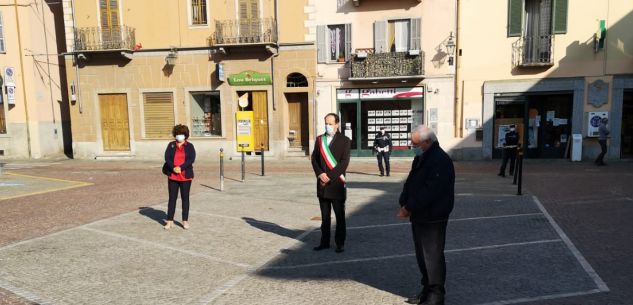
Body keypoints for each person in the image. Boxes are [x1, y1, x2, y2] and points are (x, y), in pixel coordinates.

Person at [399, 125, 455, 305]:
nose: (413, 146)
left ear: (428, 141)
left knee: (432, 257)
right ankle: (426, 289)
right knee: (422, 256)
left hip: (433, 217)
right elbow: (411, 181)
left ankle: (436, 295)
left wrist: (409, 207)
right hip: (420, 215)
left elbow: (431, 190)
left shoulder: (440, 160)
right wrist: (404, 200)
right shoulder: (421, 158)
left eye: (416, 143)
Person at [311, 113, 351, 253]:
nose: (327, 126)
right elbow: (314, 159)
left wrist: (329, 176)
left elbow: (344, 163)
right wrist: (320, 174)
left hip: (336, 185)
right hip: (322, 184)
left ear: (337, 124)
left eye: (330, 123)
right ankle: (324, 242)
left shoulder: (345, 140)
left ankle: (340, 243)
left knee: (340, 216)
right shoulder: (319, 140)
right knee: (325, 216)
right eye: (326, 123)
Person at [162, 124, 196, 230]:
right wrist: (173, 168)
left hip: (185, 176)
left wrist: (181, 167)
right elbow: (167, 158)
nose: (179, 136)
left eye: (181, 134)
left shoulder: (189, 146)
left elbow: (191, 159)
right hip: (173, 176)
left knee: (185, 198)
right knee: (172, 198)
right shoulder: (171, 145)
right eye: (177, 134)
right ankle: (169, 221)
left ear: (185, 135)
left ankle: (185, 221)